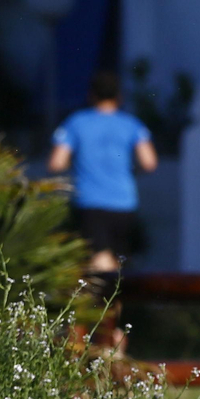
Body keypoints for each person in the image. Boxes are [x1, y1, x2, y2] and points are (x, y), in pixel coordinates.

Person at [48, 69, 157, 288]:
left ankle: (102, 309)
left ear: (92, 95)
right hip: (125, 204)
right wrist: (129, 170)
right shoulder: (131, 124)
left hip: (91, 203)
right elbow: (149, 162)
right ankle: (114, 309)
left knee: (100, 265)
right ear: (119, 97)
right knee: (118, 266)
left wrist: (78, 164)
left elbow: (56, 162)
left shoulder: (76, 122)